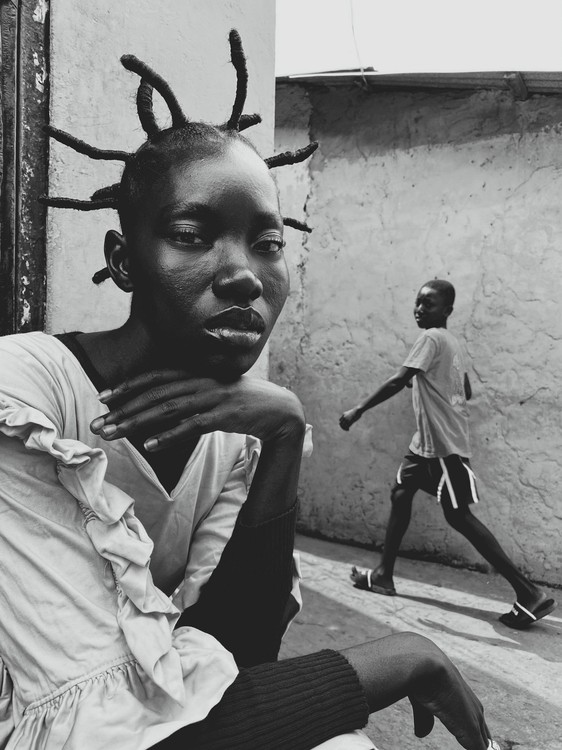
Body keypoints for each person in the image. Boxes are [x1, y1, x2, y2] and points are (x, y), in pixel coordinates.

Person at [0, 32, 499, 750]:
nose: (243, 276)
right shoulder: (26, 396)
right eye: (192, 234)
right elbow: (103, 735)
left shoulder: (243, 430)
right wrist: (406, 656)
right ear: (124, 260)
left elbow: (234, 661)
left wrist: (285, 434)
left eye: (268, 244)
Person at [340, 279, 557, 631]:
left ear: (447, 311)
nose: (419, 309)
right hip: (424, 447)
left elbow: (397, 380)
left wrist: (358, 410)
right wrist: (427, 380)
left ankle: (529, 593)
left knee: (459, 516)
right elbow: (464, 390)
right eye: (418, 302)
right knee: (401, 493)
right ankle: (383, 575)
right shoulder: (451, 343)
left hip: (443, 448)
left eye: (428, 304)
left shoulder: (430, 339)